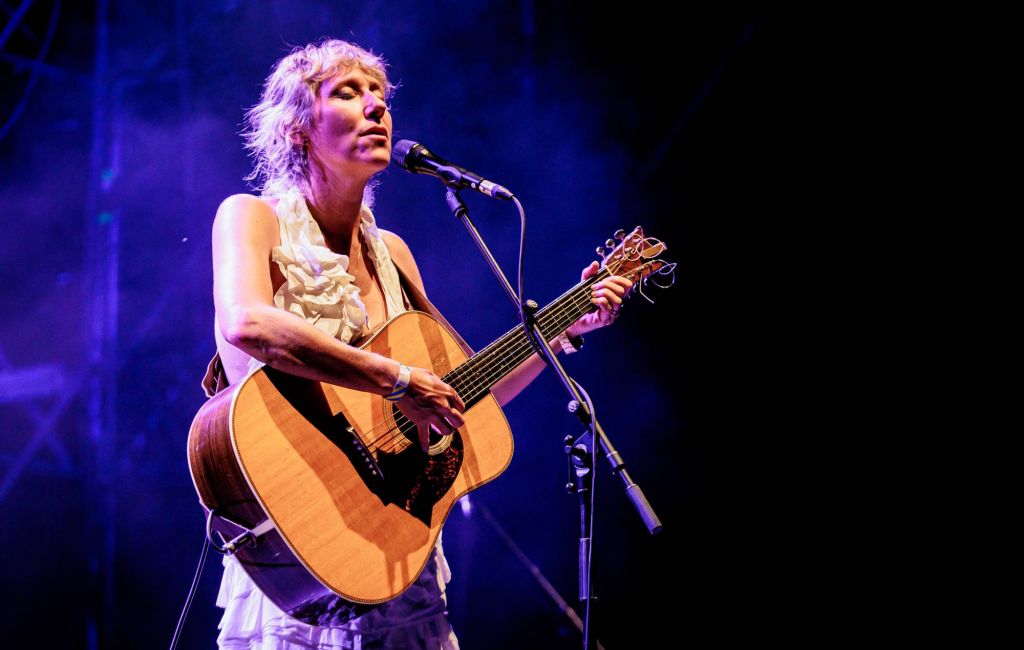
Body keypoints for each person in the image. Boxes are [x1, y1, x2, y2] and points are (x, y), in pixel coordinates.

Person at [203, 38, 632, 649]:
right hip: (300, 533)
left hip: (398, 557)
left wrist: (558, 330)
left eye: (379, 93)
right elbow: (247, 324)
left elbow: (460, 396)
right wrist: (398, 380)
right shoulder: (251, 217)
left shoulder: (394, 256)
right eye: (349, 93)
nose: (376, 106)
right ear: (299, 128)